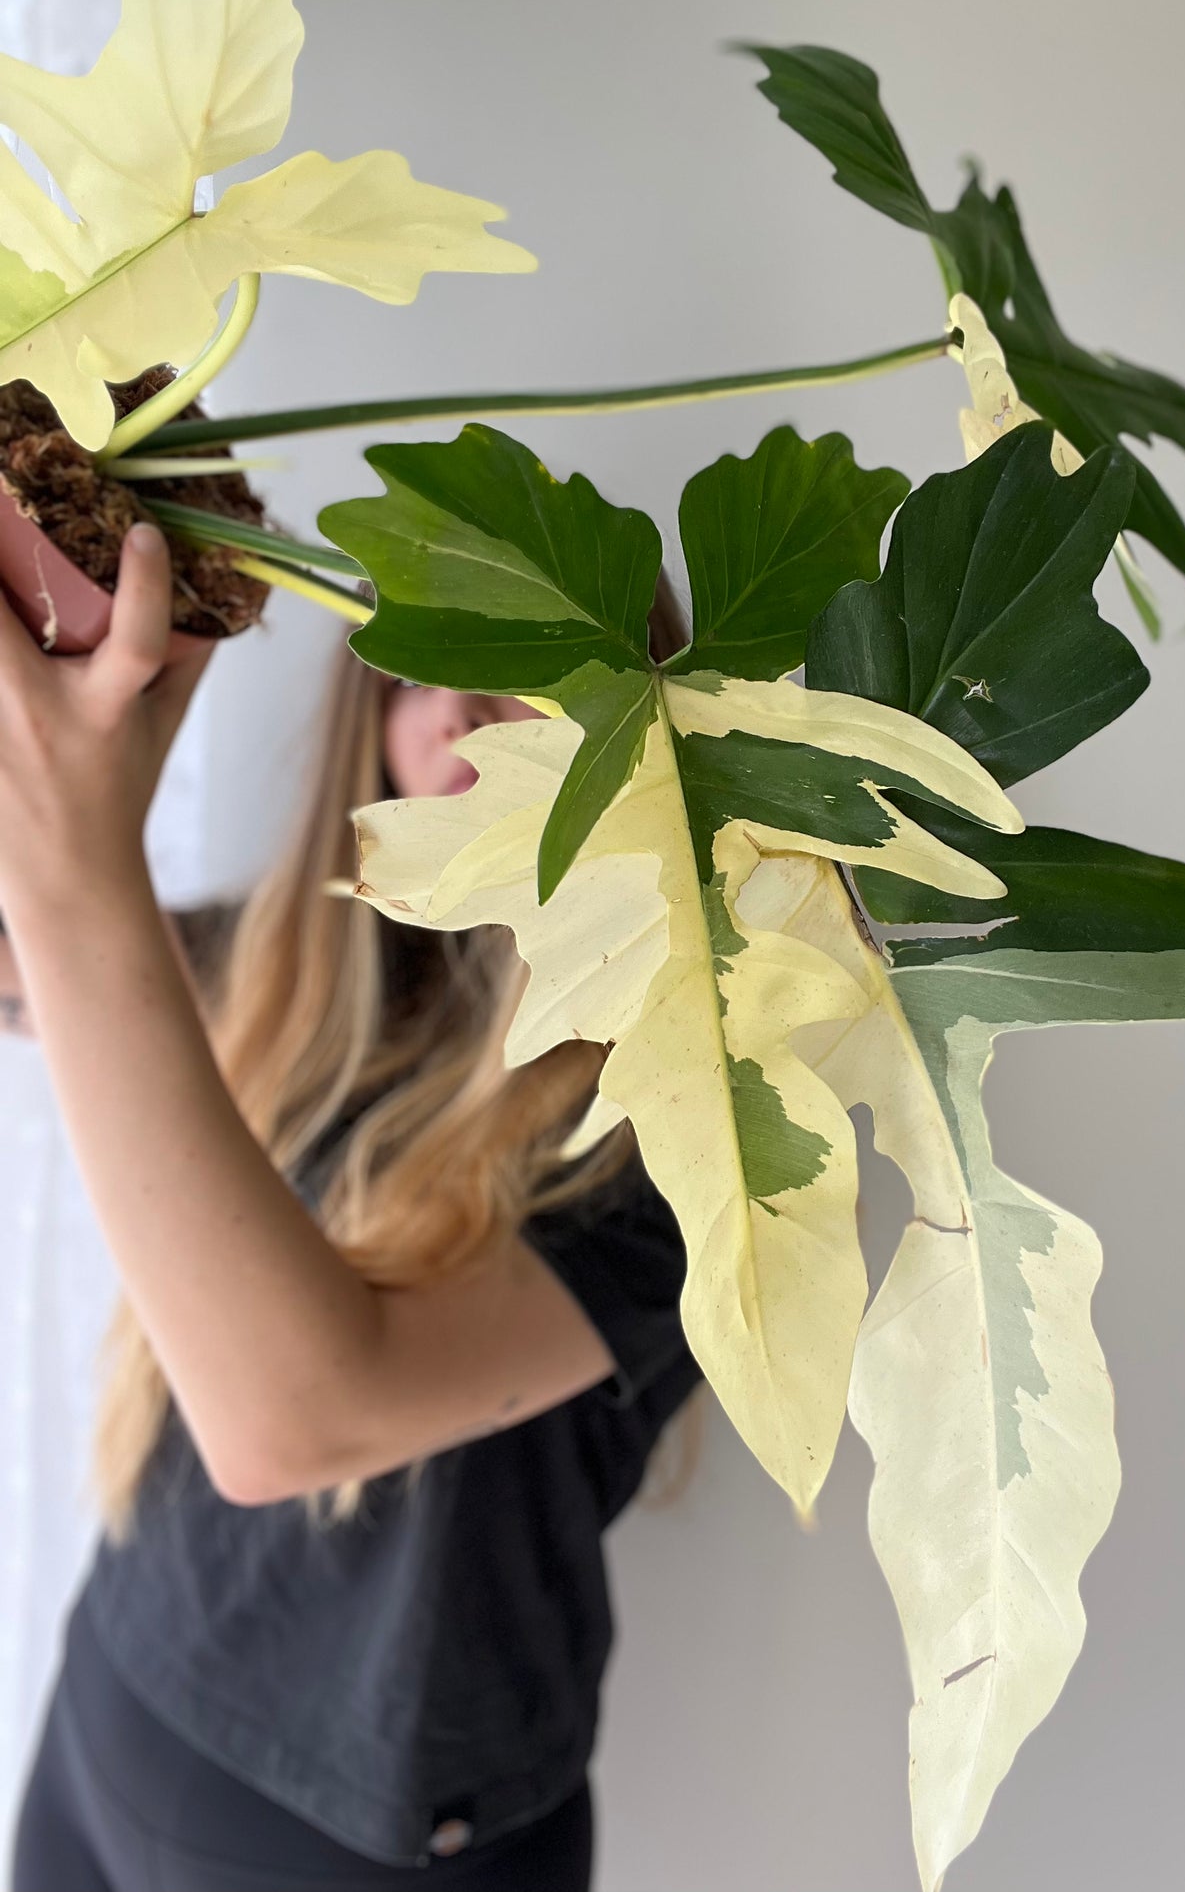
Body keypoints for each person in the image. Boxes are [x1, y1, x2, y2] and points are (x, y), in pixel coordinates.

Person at [0, 521, 703, 1892]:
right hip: (120, 1694)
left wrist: (72, 874)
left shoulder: (689, 1116)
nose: (448, 719)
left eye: (516, 677)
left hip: (367, 1834)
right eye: (413, 670)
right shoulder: (309, 970)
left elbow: (295, 1418)